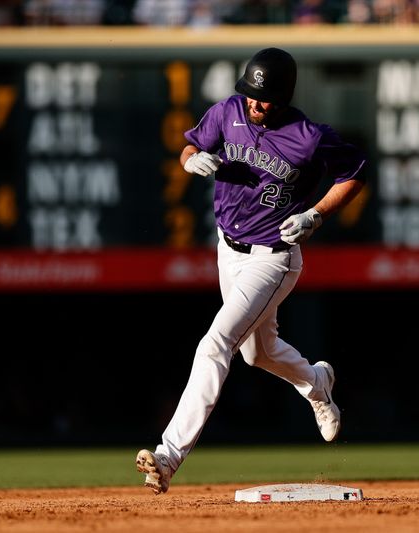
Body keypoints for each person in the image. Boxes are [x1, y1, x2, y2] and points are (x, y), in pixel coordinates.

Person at [136, 47, 367, 495]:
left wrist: (316, 215)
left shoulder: (308, 136)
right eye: (251, 95)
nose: (255, 104)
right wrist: (188, 159)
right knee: (256, 353)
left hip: (273, 257)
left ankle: (167, 456)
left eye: (264, 98)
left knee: (216, 341)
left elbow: (356, 171)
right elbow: (191, 144)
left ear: (283, 97)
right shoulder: (228, 111)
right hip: (228, 248)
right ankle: (318, 382)